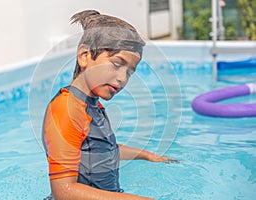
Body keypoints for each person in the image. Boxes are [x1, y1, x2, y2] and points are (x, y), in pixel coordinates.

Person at [42, 10, 177, 200]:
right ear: (84, 55)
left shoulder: (91, 106)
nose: (122, 78)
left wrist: (146, 155)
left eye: (130, 72)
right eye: (116, 64)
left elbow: (102, 150)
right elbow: (64, 191)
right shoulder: (66, 108)